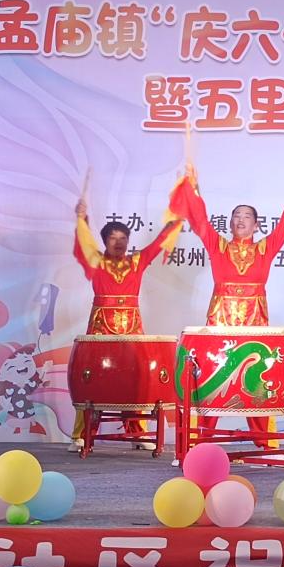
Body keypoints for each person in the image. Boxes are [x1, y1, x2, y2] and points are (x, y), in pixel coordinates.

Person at [169, 153, 284, 447]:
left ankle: (265, 440)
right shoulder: (217, 246)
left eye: (246, 216)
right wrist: (193, 187)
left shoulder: (265, 248)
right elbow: (199, 219)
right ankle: (203, 439)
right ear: (230, 223)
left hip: (254, 321)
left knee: (255, 375)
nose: (240, 220)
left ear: (257, 225)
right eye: (236, 216)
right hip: (221, 320)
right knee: (213, 375)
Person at [72, 182, 184, 448]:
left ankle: (136, 432)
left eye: (123, 238)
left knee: (136, 377)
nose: (119, 242)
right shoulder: (97, 262)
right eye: (113, 238)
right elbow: (84, 241)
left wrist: (177, 219)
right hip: (100, 327)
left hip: (131, 327)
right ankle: (81, 435)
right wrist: (82, 219)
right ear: (104, 241)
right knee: (92, 378)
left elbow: (158, 244)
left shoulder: (137, 262)